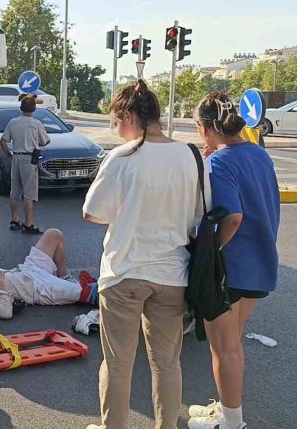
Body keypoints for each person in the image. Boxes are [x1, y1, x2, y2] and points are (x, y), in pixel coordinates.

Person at [82, 79, 208, 429]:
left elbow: (92, 214)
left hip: (124, 273)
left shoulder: (123, 157)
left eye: (116, 122)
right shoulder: (191, 155)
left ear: (130, 115)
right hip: (173, 275)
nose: (117, 130)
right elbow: (201, 214)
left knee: (118, 364)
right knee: (167, 362)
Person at [187, 92, 280, 429]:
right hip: (261, 262)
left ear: (204, 127)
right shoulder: (259, 153)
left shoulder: (218, 162)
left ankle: (231, 422)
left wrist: (212, 251)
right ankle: (228, 410)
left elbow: (233, 217)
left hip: (230, 270)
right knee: (234, 344)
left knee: (223, 348)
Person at [0, 94, 50, 234]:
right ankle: (29, 225)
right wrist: (34, 142)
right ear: (34, 109)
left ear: (21, 108)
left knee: (14, 191)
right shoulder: (36, 124)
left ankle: (15, 221)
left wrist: (9, 154)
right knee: (29, 194)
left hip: (15, 157)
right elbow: (45, 141)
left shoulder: (13, 122)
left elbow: (3, 141)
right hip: (29, 160)